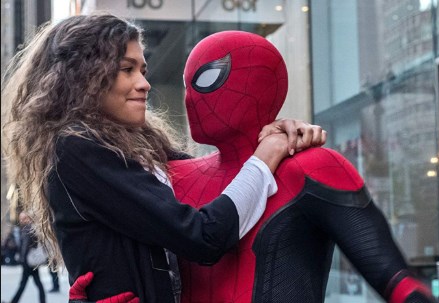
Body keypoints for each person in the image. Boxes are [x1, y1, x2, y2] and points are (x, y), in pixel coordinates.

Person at [70, 31, 437, 303]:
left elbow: (394, 279)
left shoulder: (310, 167)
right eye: (185, 85)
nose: (191, 98)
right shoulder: (166, 175)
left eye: (206, 79)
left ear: (260, 82)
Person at [1, 13, 325, 303]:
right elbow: (202, 235)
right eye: (127, 70)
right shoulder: (77, 147)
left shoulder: (133, 142)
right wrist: (265, 155)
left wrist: (275, 134)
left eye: (143, 69)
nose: (144, 83)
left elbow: (217, 182)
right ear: (84, 77)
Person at [7, 212, 46, 303]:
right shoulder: (29, 228)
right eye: (21, 218)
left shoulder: (27, 228)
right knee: (36, 283)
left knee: (24, 284)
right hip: (31, 261)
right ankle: (43, 300)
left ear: (28, 218)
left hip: (28, 261)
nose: (22, 220)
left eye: (24, 218)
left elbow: (25, 245)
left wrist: (23, 259)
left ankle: (13, 301)